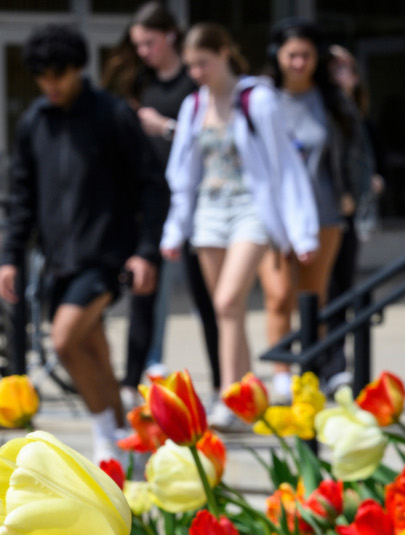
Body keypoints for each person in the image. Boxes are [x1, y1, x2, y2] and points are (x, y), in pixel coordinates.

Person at [0, 24, 166, 462]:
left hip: (107, 255)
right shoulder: (35, 121)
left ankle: (105, 435)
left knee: (66, 340)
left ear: (77, 69)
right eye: (42, 76)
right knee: (94, 351)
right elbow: (22, 195)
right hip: (59, 259)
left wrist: (146, 250)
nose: (50, 85)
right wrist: (10, 257)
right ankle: (128, 438)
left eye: (59, 75)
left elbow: (151, 184)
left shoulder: (112, 114)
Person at [160, 23, 318, 428]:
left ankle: (230, 395)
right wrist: (174, 231)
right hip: (208, 213)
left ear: (225, 53)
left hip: (251, 210)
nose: (196, 72)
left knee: (229, 302)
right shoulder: (194, 105)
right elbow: (183, 175)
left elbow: (285, 168)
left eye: (203, 63)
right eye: (192, 65)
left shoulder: (257, 99)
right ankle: (249, 398)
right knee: (224, 312)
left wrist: (301, 232)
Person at [101, 2, 221, 401]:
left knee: (207, 297)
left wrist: (165, 128)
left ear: (170, 35)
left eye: (149, 42)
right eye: (138, 44)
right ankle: (132, 381)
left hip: (196, 202)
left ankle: (224, 385)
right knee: (144, 286)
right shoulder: (140, 81)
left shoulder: (194, 83)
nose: (142, 51)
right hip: (152, 203)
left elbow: (210, 141)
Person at [257, 19, 372, 399]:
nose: (299, 62)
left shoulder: (332, 99)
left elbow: (357, 151)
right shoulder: (261, 97)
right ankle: (281, 376)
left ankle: (315, 370)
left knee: (314, 296)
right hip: (273, 215)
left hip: (323, 210)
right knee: (278, 295)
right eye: (292, 54)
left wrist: (354, 195)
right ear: (278, 56)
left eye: (306, 55)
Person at [321, 44, 384, 389]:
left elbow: (373, 162)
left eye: (345, 67)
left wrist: (370, 185)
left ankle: (335, 362)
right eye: (332, 68)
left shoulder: (359, 119)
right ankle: (327, 361)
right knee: (323, 289)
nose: (339, 74)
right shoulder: (322, 111)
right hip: (324, 212)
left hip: (347, 216)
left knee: (341, 285)